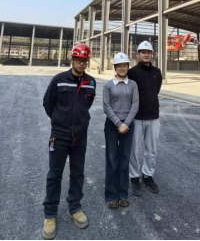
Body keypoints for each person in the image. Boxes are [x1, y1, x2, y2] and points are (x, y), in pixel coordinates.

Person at [42, 43, 96, 241]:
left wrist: (78, 123)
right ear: (72, 60)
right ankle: (50, 215)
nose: (81, 64)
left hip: (80, 137)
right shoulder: (59, 80)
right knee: (54, 174)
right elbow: (48, 103)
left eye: (84, 61)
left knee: (78, 173)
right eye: (78, 60)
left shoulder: (91, 82)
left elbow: (87, 105)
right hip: (58, 137)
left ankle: (75, 207)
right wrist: (60, 121)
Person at [103, 53, 140, 210]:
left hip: (128, 125)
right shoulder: (108, 85)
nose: (122, 68)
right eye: (119, 66)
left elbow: (135, 105)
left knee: (124, 160)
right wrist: (118, 123)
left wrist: (126, 123)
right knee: (112, 160)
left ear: (128, 67)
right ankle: (111, 196)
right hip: (112, 125)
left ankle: (123, 195)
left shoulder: (133, 84)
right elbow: (106, 106)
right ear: (115, 68)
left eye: (125, 65)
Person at [128, 41, 163, 196]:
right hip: (137, 117)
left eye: (149, 52)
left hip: (153, 116)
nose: (146, 55)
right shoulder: (132, 73)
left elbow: (156, 90)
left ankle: (148, 175)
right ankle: (134, 177)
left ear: (152, 55)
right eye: (143, 52)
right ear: (138, 55)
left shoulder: (157, 72)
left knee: (151, 149)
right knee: (135, 150)